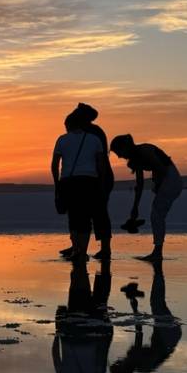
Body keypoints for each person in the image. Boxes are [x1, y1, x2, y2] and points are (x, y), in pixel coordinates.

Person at [110, 134, 182, 262]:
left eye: (119, 152)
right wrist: (135, 207)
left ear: (125, 147)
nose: (120, 156)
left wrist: (158, 184)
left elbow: (161, 169)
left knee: (157, 215)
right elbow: (140, 184)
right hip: (166, 181)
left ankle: (157, 252)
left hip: (171, 180)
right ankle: (157, 251)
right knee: (157, 215)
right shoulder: (136, 158)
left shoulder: (145, 150)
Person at [51, 259, 112, 373]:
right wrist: (58, 332)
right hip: (71, 332)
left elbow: (103, 351)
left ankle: (103, 267)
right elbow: (54, 353)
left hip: (91, 333)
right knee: (78, 290)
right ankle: (79, 264)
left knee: (100, 297)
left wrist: (108, 330)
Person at [109, 261, 181, 373]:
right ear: (123, 367)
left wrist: (135, 308)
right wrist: (135, 309)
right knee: (157, 303)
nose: (119, 359)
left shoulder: (137, 363)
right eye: (118, 363)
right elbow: (139, 334)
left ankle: (148, 282)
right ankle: (158, 272)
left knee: (157, 303)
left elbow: (139, 333)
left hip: (167, 336)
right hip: (169, 335)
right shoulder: (140, 364)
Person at [59, 103, 113, 259]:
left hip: (98, 178)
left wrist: (99, 181)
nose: (67, 130)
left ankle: (103, 248)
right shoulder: (94, 132)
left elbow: (99, 160)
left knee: (97, 213)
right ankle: (78, 246)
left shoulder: (92, 133)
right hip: (93, 177)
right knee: (82, 212)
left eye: (68, 126)